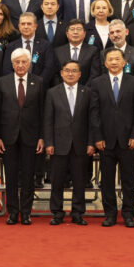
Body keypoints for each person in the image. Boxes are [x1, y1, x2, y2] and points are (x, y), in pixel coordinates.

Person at [90, 48, 134, 227]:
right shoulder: (97, 83)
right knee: (107, 181)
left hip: (129, 140)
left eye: (117, 59)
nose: (113, 62)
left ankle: (128, 213)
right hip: (105, 141)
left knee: (129, 179)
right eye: (110, 59)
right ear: (105, 63)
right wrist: (97, 137)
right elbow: (94, 112)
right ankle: (110, 214)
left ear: (124, 63)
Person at [44, 60, 95, 225]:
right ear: (61, 73)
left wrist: (90, 143)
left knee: (79, 181)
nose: (71, 73)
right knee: (57, 181)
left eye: (74, 71)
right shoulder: (52, 92)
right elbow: (48, 120)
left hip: (81, 144)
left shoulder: (87, 92)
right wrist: (49, 142)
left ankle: (78, 213)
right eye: (67, 70)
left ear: (80, 74)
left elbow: (91, 120)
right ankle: (57, 212)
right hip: (58, 144)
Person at [0, 48, 44, 225]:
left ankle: (26, 212)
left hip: (31, 137)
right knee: (10, 176)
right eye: (17, 62)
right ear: (12, 64)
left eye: (24, 62)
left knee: (28, 177)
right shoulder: (2, 82)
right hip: (8, 137)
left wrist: (41, 137)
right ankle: (12, 212)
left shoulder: (38, 82)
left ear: (29, 63)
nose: (21, 65)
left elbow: (42, 111)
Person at [52, 20, 101, 85]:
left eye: (79, 29)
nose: (75, 32)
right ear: (67, 34)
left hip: (86, 91)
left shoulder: (93, 50)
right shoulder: (58, 51)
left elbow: (94, 75)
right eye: (72, 29)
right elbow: (55, 75)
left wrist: (85, 91)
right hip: (62, 92)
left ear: (84, 33)